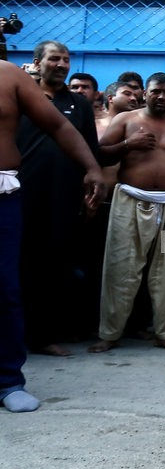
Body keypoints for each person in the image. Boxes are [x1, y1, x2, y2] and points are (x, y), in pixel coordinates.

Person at [0, 60, 104, 411]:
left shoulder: (10, 76)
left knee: (5, 288)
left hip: (4, 195)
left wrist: (91, 167)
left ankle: (8, 381)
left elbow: (58, 124)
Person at [89, 73, 165, 353]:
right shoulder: (126, 120)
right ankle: (110, 333)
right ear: (145, 93)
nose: (161, 97)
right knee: (121, 267)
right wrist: (128, 145)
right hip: (129, 202)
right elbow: (101, 154)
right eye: (156, 92)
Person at [16, 40, 101, 356]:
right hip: (19, 195)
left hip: (62, 200)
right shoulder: (20, 95)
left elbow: (90, 151)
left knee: (52, 268)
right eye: (55, 58)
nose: (62, 64)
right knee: (15, 264)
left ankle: (42, 336)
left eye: (66, 59)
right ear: (37, 62)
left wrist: (89, 190)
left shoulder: (78, 105)